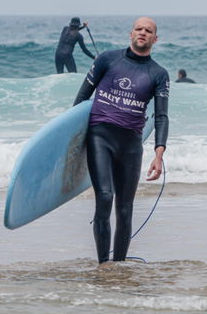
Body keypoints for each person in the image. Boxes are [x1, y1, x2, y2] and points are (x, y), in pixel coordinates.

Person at [73, 17, 170, 264]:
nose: (143, 33)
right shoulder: (107, 59)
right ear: (130, 34)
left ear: (154, 39)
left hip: (131, 145)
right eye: (139, 29)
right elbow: (81, 99)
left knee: (125, 210)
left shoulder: (159, 74)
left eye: (148, 31)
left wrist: (158, 155)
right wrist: (71, 146)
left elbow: (161, 117)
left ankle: (119, 268)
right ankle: (103, 265)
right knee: (105, 196)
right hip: (100, 137)